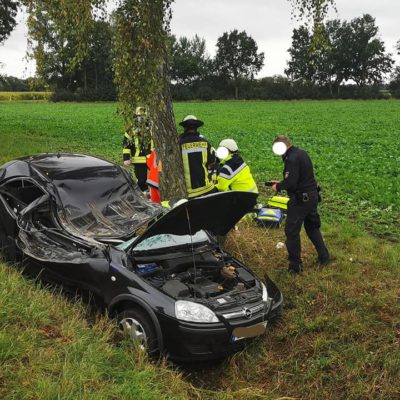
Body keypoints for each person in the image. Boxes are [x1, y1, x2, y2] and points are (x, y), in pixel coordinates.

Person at [271, 135, 330, 273]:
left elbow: (291, 182)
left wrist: (278, 187)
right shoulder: (301, 153)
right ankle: (324, 257)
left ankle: (295, 266)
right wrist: (281, 182)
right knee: (312, 228)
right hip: (312, 196)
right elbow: (298, 177)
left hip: (300, 200)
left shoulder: (291, 159)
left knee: (291, 232)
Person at [179, 115, 217, 199]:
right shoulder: (205, 143)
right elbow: (212, 163)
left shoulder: (179, 144)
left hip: (190, 193)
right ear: (197, 128)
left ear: (184, 128)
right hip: (207, 189)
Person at [122, 106, 153, 191]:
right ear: (136, 117)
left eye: (143, 116)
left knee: (155, 182)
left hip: (152, 160)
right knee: (142, 181)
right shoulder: (131, 130)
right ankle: (144, 195)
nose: (141, 118)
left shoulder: (151, 128)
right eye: (139, 116)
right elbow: (126, 146)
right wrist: (126, 158)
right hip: (138, 160)